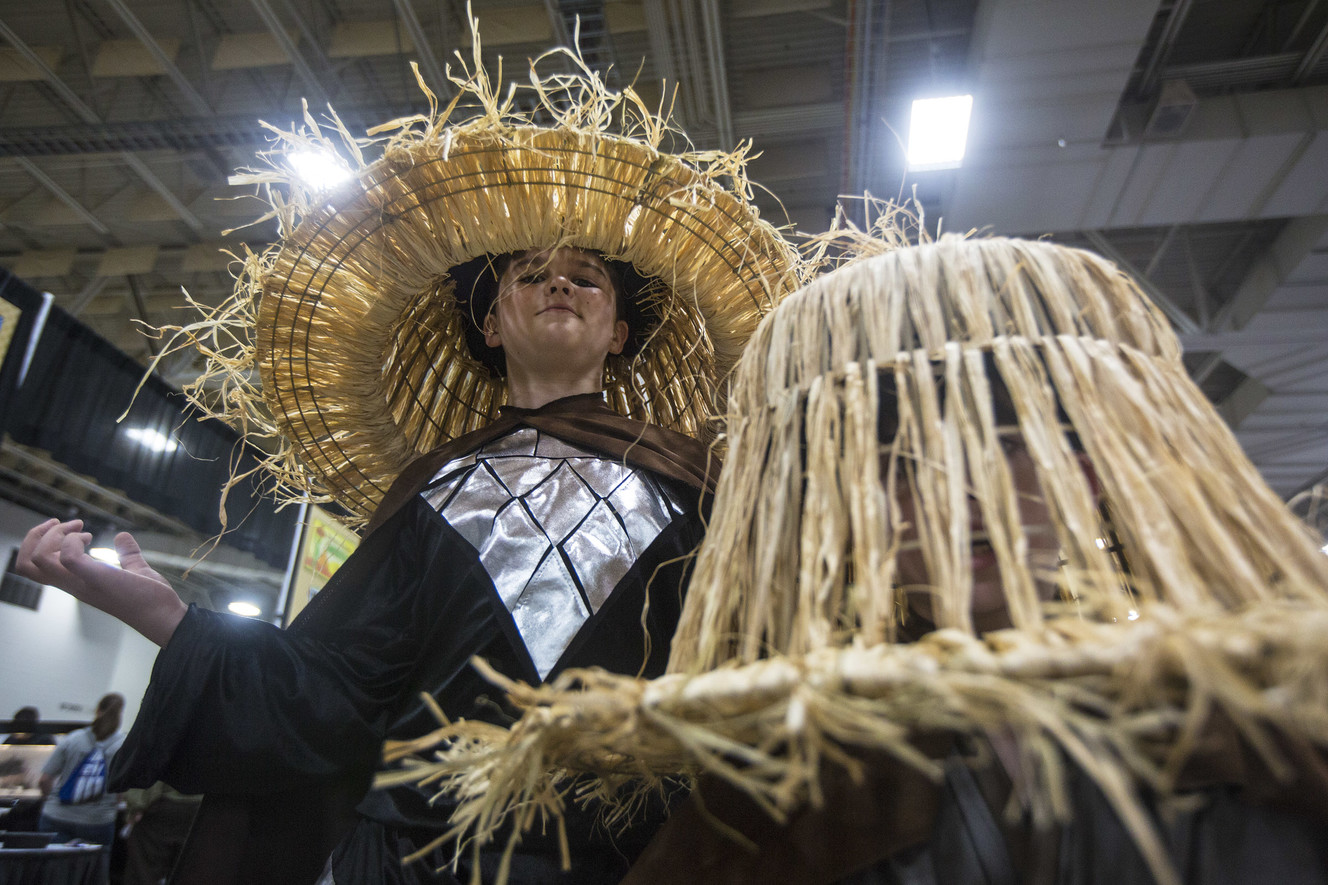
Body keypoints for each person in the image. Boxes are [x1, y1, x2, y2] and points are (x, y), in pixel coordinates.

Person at [16, 29, 798, 885]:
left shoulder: (695, 481)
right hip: (422, 861)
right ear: (490, 324)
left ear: (618, 332)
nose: (560, 283)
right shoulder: (436, 489)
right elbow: (329, 687)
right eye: (530, 272)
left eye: (587, 276)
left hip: (634, 862)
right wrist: (168, 616)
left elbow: (754, 659)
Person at [397, 230, 1328, 884]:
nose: (958, 496)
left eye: (1005, 445)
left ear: (1086, 471)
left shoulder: (1262, 730)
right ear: (851, 508)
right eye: (902, 464)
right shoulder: (779, 798)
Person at [37, 693, 125, 884]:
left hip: (56, 816)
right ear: (120, 714)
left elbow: (44, 779)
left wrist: (49, 800)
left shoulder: (73, 739)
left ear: (97, 710)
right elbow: (120, 792)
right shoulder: (123, 745)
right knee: (91, 874)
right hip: (98, 821)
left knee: (52, 874)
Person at [122, 781, 202, 885]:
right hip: (202, 805)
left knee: (144, 872)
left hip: (164, 806)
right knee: (189, 872)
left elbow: (148, 772)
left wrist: (136, 804)